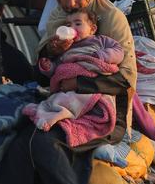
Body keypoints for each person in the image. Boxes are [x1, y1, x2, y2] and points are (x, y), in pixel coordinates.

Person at [0, 0, 137, 184]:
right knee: (19, 143)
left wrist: (78, 83)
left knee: (43, 143)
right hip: (65, 105)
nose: (71, 3)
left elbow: (125, 81)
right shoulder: (58, 19)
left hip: (106, 112)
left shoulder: (111, 19)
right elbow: (44, 79)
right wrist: (52, 52)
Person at [23, 8, 123, 141]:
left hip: (90, 82)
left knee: (70, 101)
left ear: (92, 29)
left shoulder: (99, 41)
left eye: (78, 24)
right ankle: (43, 111)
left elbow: (118, 51)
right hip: (67, 87)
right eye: (68, 25)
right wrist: (48, 66)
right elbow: (59, 69)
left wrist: (100, 56)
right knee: (57, 98)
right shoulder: (67, 47)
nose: (72, 28)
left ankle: (52, 117)